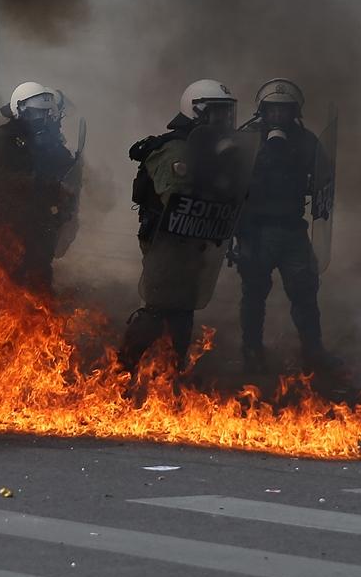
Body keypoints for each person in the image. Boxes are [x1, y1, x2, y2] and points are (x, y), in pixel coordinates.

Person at [119, 80, 242, 374]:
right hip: (167, 241)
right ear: (196, 111)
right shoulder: (173, 149)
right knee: (159, 306)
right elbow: (175, 195)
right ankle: (122, 370)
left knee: (183, 309)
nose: (223, 120)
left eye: (227, 112)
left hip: (194, 241)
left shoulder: (211, 149)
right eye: (217, 112)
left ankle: (172, 373)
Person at [235, 79, 341, 374]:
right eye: (272, 110)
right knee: (254, 293)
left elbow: (324, 178)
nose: (278, 116)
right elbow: (229, 179)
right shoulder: (247, 139)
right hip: (254, 230)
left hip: (292, 229)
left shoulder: (307, 142)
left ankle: (313, 350)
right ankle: (252, 350)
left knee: (305, 290)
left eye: (284, 111)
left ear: (294, 112)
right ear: (262, 111)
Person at [0, 82, 76, 293]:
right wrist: (44, 184)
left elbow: (64, 166)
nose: (40, 119)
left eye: (44, 113)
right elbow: (1, 177)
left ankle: (38, 318)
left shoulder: (44, 141)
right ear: (19, 108)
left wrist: (56, 141)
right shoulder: (1, 139)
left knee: (40, 276)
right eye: (35, 113)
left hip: (40, 221)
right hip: (10, 223)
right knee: (9, 278)